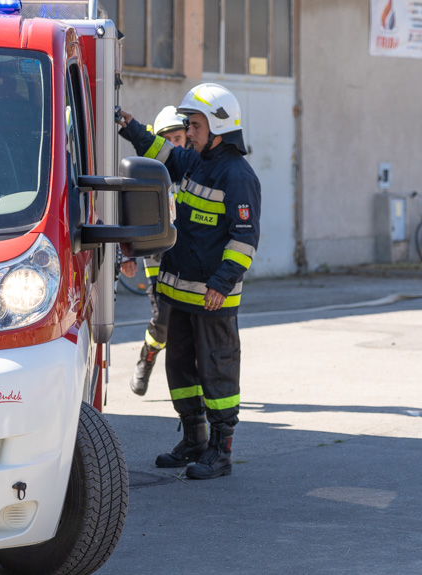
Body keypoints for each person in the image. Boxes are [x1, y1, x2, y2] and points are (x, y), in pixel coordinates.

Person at [117, 83, 261, 480]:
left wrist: (221, 283)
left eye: (194, 126)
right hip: (178, 292)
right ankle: (194, 439)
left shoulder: (238, 176)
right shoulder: (196, 161)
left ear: (217, 127)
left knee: (217, 369)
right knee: (180, 368)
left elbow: (244, 239)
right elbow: (162, 153)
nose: (189, 133)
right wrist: (129, 126)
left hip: (212, 297)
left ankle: (221, 450)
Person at [121, 106, 188, 396]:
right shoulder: (149, 175)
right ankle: (146, 359)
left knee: (190, 326)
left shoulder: (192, 167)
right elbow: (134, 212)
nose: (175, 143)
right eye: (169, 138)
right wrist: (127, 253)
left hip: (189, 255)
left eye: (179, 137)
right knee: (162, 321)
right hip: (158, 254)